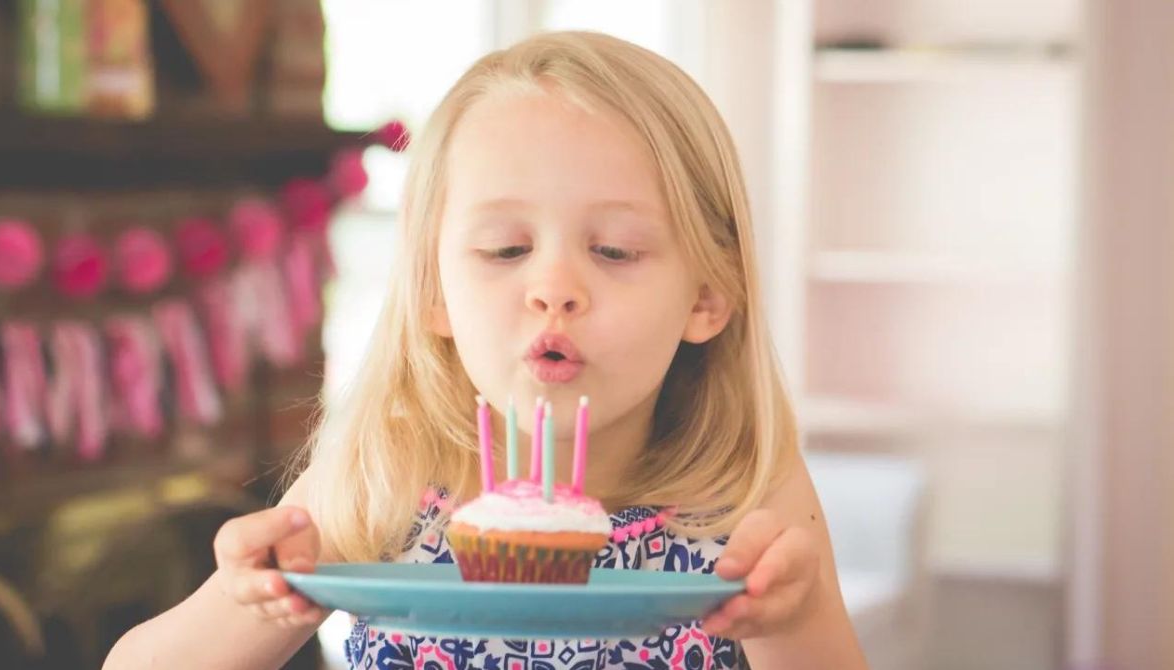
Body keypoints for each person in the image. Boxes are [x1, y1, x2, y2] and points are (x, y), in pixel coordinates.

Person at [105, 30, 866, 670]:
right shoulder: (381, 481)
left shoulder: (744, 498)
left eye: (613, 249)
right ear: (433, 291)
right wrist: (255, 600)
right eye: (505, 250)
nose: (554, 289)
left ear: (705, 297)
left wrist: (789, 621)